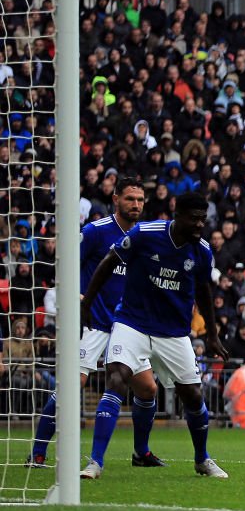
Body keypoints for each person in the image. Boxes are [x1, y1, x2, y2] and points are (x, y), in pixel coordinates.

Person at [79, 192, 230, 479]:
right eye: (194, 219)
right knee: (117, 378)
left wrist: (212, 334)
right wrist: (87, 302)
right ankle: (95, 462)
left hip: (173, 332)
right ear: (178, 214)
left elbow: (204, 292)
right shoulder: (145, 234)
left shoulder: (203, 251)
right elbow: (110, 260)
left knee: (193, 395)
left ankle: (202, 459)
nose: (200, 225)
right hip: (132, 322)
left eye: (203, 219)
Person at [29, 177, 156, 468]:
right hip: (93, 325)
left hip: (126, 327)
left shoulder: (143, 237)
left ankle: (142, 453)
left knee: (148, 389)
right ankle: (37, 453)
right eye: (129, 199)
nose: (135, 204)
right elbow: (66, 264)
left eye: (139, 200)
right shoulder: (96, 232)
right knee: (72, 388)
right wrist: (77, 298)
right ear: (116, 199)